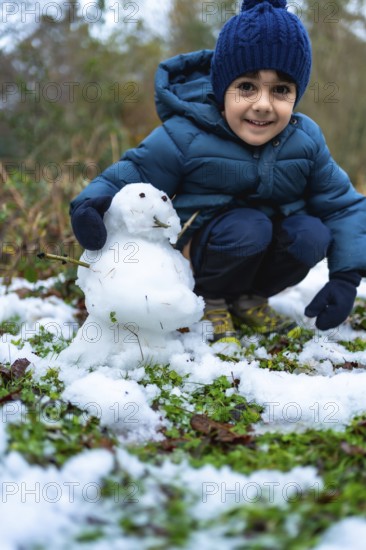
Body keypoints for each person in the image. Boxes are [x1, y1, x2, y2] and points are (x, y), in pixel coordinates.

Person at [70, 0, 366, 345]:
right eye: (246, 87)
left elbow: (342, 205)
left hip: (259, 253)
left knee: (311, 234)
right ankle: (209, 300)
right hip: (202, 254)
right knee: (248, 226)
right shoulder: (187, 134)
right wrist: (89, 205)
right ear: (222, 87)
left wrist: (346, 277)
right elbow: (130, 174)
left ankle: (248, 299)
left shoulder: (305, 140)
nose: (263, 104)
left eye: (281, 90)